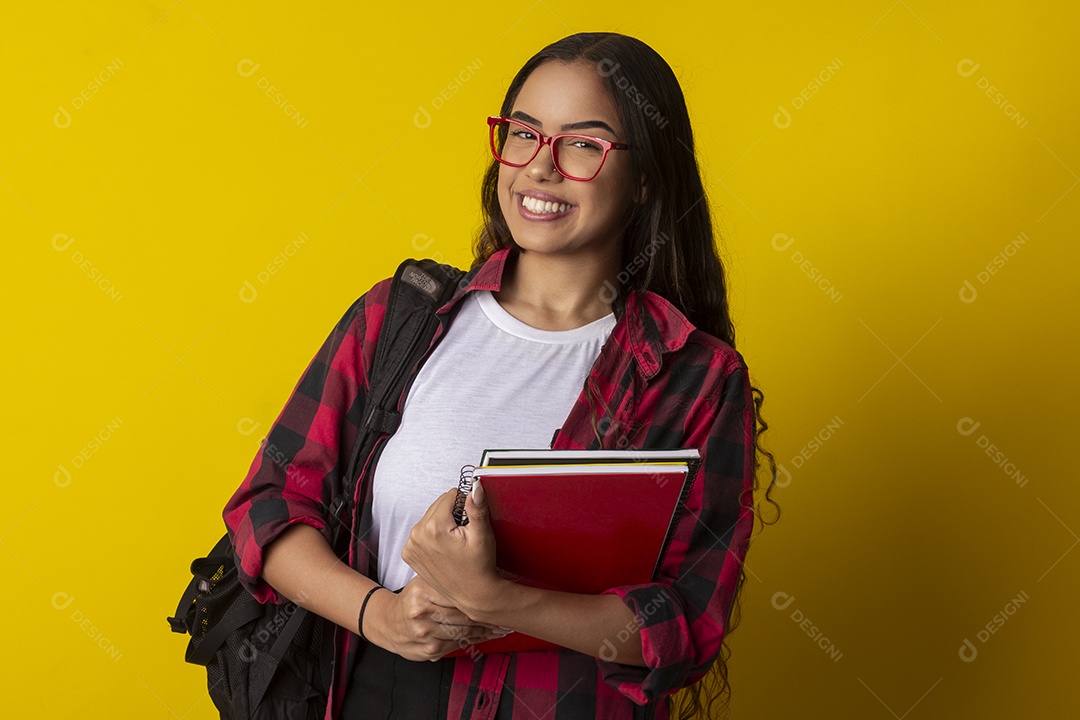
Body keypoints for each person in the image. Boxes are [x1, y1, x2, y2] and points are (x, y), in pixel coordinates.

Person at [222, 31, 778, 720]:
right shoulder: (399, 318)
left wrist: (498, 601)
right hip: (371, 692)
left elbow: (687, 623)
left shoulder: (693, 375)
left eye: (583, 143)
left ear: (643, 179)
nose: (540, 168)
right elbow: (271, 508)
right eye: (523, 134)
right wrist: (382, 616)